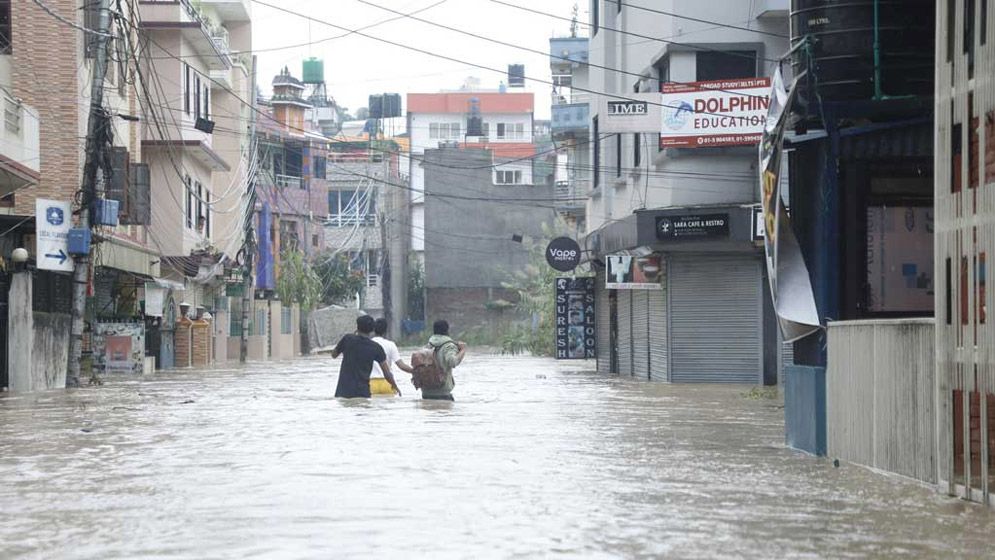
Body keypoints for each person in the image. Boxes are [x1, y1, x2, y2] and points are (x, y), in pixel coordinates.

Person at [331, 315, 400, 398]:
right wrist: (394, 385)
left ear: (357, 327)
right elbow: (387, 373)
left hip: (344, 391)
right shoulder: (376, 347)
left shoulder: (348, 339)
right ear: (372, 330)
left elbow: (334, 355)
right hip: (363, 392)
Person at [420, 319, 467, 402]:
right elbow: (453, 362)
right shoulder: (448, 346)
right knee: (444, 414)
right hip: (443, 393)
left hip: (426, 393)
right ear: (447, 330)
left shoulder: (427, 346)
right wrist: (463, 350)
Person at [369, 318, 414, 395]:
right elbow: (401, 365)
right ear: (385, 331)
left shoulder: (368, 344)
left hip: (371, 383)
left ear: (373, 329)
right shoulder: (390, 344)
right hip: (387, 383)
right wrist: (415, 371)